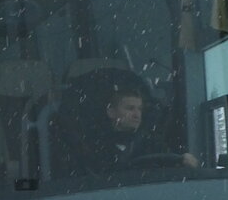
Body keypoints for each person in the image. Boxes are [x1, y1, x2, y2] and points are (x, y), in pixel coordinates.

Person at [50, 69, 197, 178]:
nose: (137, 114)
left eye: (139, 109)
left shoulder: (152, 144)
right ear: (111, 112)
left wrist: (184, 161)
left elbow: (170, 165)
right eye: (129, 108)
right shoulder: (91, 146)